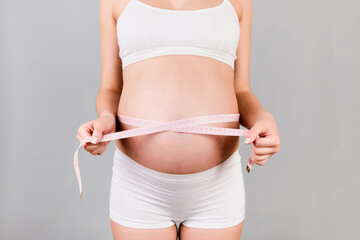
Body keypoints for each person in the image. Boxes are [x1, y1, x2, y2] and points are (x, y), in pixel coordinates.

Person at [76, 0, 280, 239]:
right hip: (139, 185)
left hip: (217, 185)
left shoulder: (239, 3)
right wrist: (106, 119)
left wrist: (264, 118)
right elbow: (110, 88)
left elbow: (242, 91)